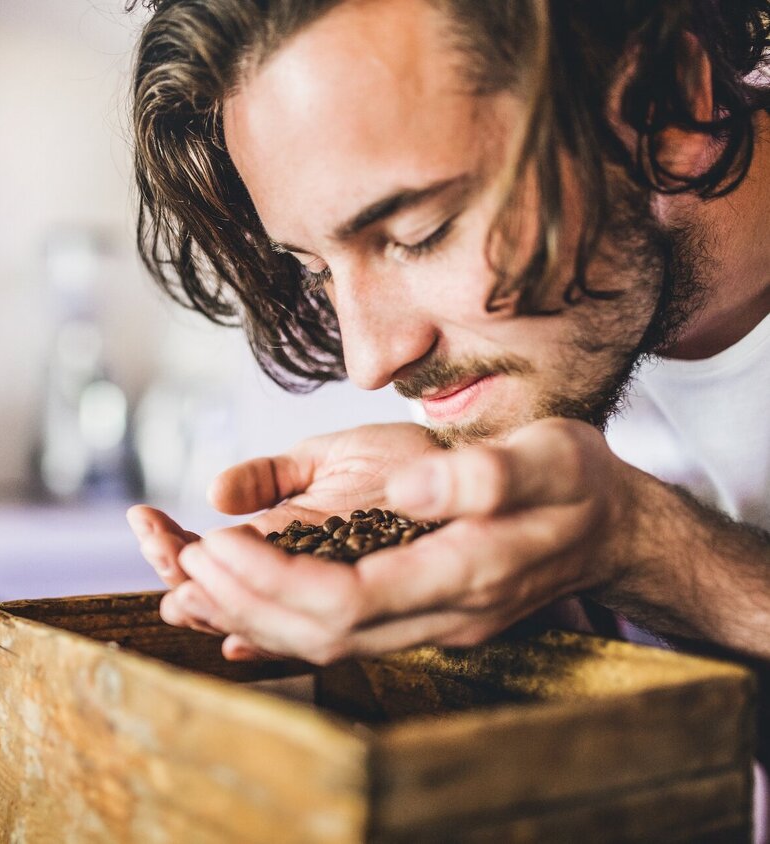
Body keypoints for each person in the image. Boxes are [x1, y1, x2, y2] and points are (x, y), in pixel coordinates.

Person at [124, 0, 770, 722]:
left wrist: (646, 548)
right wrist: (468, 512)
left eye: (419, 234)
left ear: (668, 106)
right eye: (318, 271)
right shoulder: (566, 344)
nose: (371, 360)